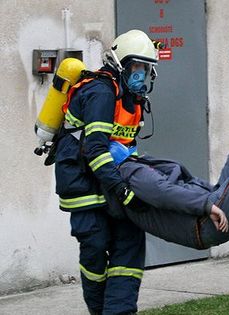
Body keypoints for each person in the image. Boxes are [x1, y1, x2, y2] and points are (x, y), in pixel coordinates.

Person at [54, 29, 158, 315]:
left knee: (130, 245)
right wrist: (124, 191)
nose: (141, 73)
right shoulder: (100, 92)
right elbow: (95, 150)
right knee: (96, 251)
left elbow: (127, 148)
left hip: (110, 185)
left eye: (146, 68)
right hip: (84, 186)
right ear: (121, 64)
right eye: (137, 66)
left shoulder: (131, 98)